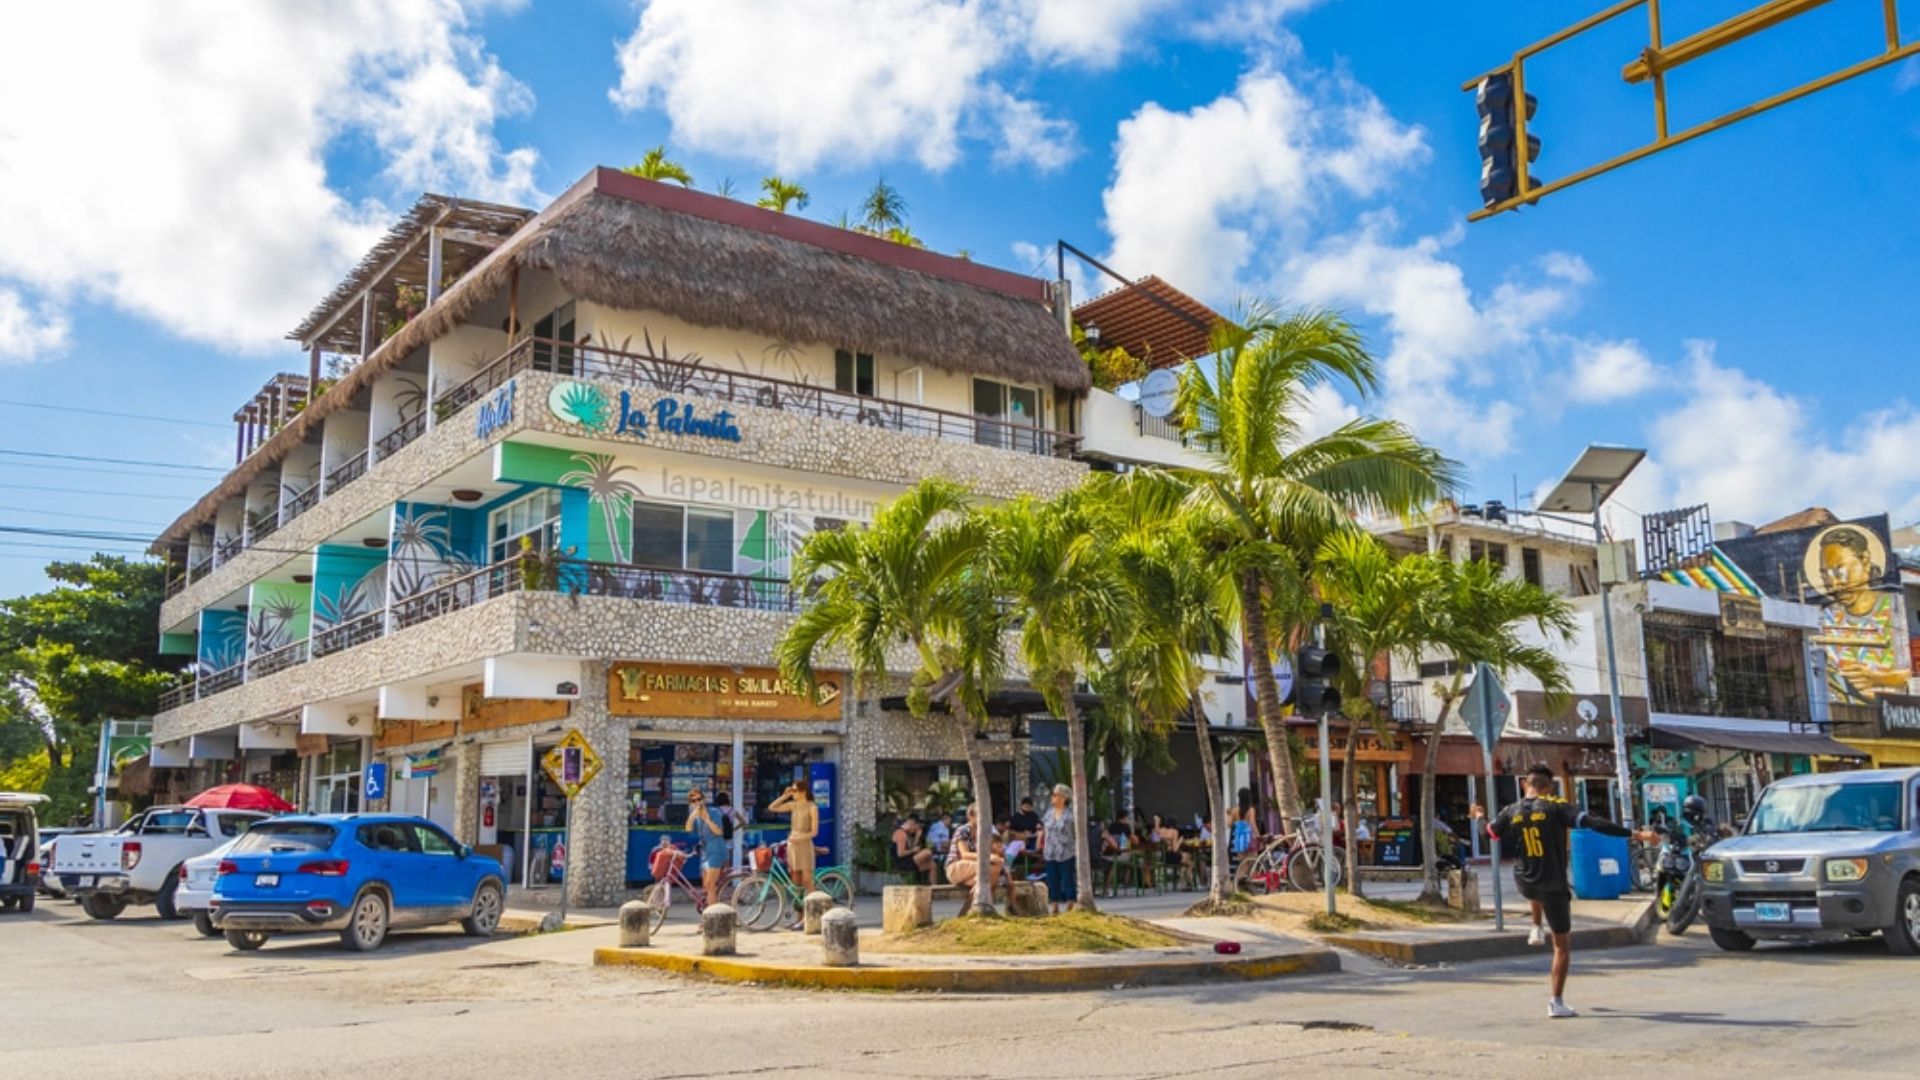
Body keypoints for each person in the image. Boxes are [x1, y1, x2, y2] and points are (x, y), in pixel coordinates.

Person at [1473, 763, 1634, 1019]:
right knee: (1562, 946)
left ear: (1525, 784)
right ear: (1548, 788)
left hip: (1524, 882)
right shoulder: (1557, 806)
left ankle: (1536, 925)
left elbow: (1488, 833)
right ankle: (1556, 1002)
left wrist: (1479, 815)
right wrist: (1632, 833)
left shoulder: (1510, 811)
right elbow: (1592, 823)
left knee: (1533, 888)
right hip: (1553, 886)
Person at [767, 779, 818, 895]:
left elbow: (814, 832)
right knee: (795, 881)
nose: (793, 793)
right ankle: (799, 911)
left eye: (795, 790)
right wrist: (785, 796)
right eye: (792, 790)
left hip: (804, 846)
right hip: (793, 846)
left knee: (807, 881)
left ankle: (813, 908)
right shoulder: (793, 805)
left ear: (803, 791)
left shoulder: (812, 807)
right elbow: (772, 807)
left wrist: (800, 838)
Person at [946, 805, 1008, 895]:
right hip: (956, 867)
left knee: (996, 869)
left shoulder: (984, 832)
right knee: (989, 871)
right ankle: (980, 899)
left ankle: (979, 903)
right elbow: (964, 855)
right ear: (971, 816)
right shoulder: (963, 830)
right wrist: (989, 857)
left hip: (974, 870)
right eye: (980, 815)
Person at [686, 788, 729, 906]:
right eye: (693, 801)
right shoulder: (696, 817)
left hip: (716, 849)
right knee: (706, 887)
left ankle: (712, 917)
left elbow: (719, 832)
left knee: (710, 885)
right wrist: (692, 816)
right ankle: (711, 913)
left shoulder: (714, 812)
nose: (697, 802)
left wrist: (707, 819)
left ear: (704, 800)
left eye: (699, 799)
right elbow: (688, 829)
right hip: (705, 852)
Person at [1040, 783, 1077, 914]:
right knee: (1052, 878)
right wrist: (1041, 843)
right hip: (1050, 851)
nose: (1052, 797)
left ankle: (1071, 902)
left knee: (1067, 878)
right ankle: (1054, 904)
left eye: (1055, 795)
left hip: (1066, 851)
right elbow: (1044, 829)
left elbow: (1075, 832)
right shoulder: (1049, 813)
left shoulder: (1070, 815)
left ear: (1063, 797)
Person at [891, 813, 935, 884]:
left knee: (932, 865)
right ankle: (922, 882)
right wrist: (913, 850)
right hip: (902, 863)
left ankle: (934, 888)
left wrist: (917, 837)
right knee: (928, 852)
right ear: (912, 824)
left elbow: (913, 848)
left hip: (909, 860)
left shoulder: (907, 834)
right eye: (915, 829)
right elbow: (900, 853)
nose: (914, 831)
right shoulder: (900, 833)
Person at [1230, 788, 1258, 857]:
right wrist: (1258, 835)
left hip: (1239, 841)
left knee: (1243, 863)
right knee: (1253, 862)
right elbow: (1252, 824)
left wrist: (1228, 814)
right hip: (1250, 840)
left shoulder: (1234, 811)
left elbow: (1229, 824)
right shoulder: (1251, 810)